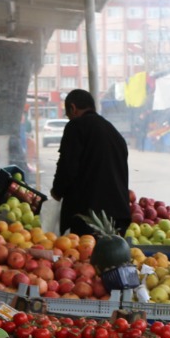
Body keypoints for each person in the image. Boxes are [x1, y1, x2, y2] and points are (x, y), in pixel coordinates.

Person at [51, 89, 129, 236]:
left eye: (68, 115)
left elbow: (67, 166)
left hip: (88, 218)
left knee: (84, 257)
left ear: (73, 108)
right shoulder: (113, 132)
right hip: (118, 218)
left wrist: (57, 191)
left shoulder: (76, 126)